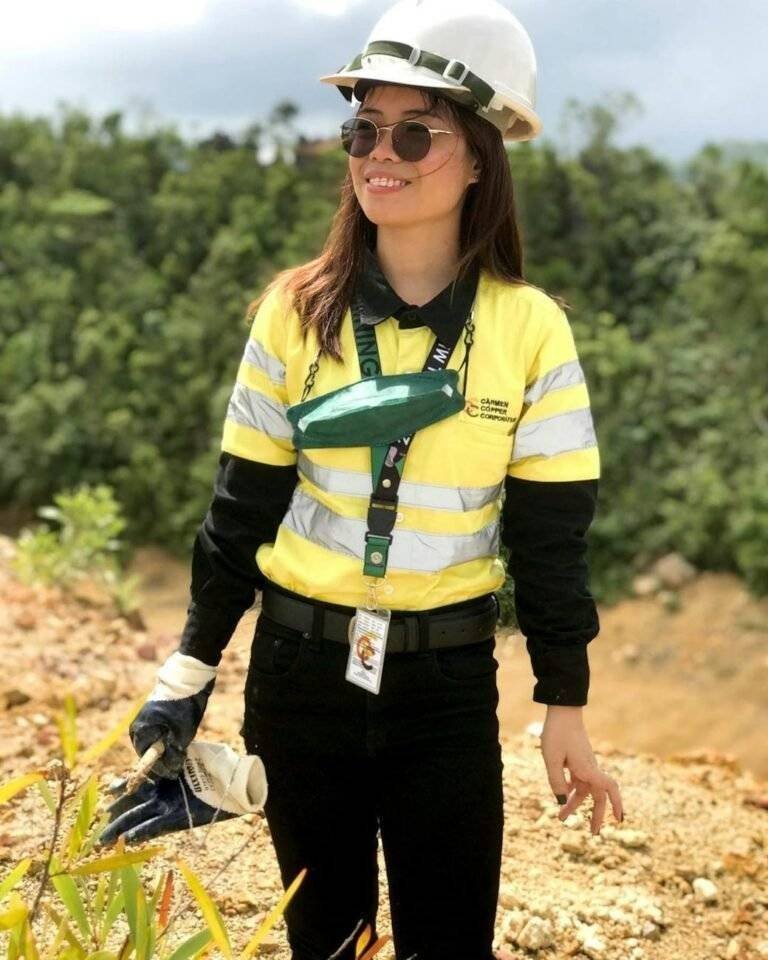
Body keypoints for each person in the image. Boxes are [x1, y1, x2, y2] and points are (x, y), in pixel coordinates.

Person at [124, 1, 624, 958]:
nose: (377, 153)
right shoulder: (294, 313)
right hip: (300, 678)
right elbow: (240, 514)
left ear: (481, 156)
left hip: (443, 688)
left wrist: (565, 703)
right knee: (328, 942)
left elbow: (552, 540)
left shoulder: (529, 332)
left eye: (413, 132)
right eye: (363, 128)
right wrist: (188, 672)